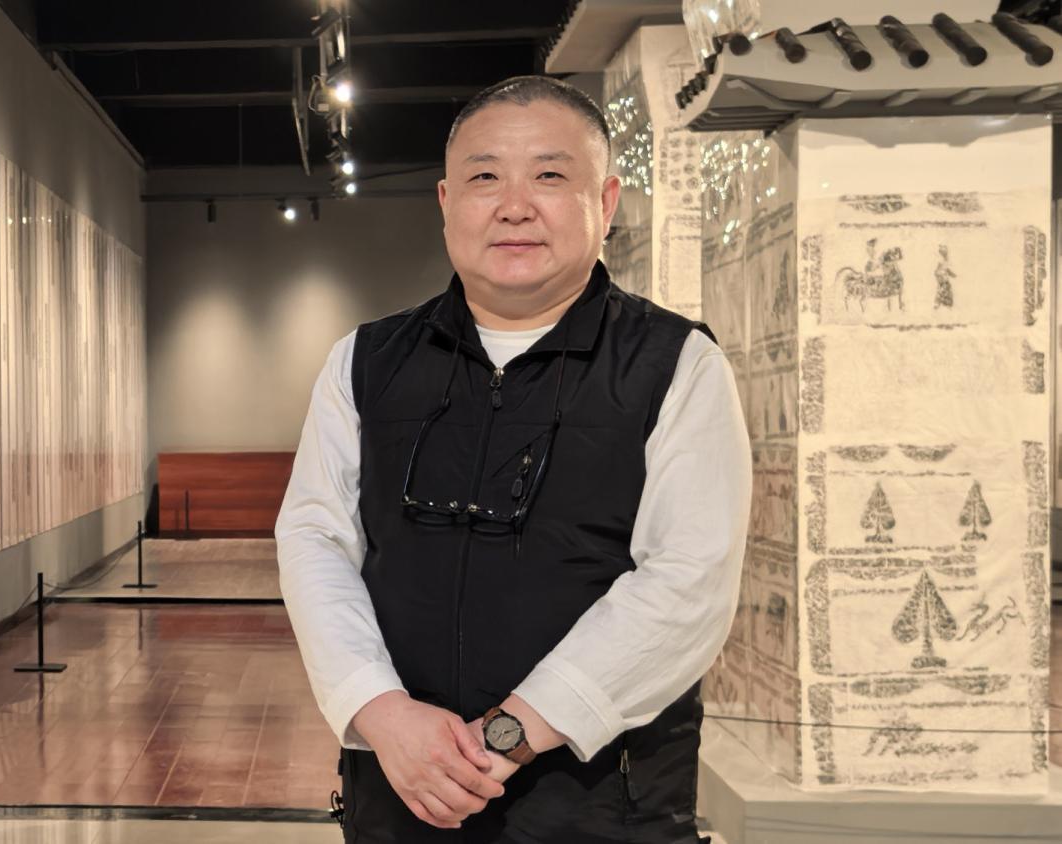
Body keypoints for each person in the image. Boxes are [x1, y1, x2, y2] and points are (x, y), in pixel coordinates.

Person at [276, 75, 751, 844]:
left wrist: (509, 735)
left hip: (602, 802)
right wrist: (381, 713)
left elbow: (688, 578)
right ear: (445, 202)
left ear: (605, 202)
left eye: (550, 176)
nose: (514, 205)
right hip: (401, 787)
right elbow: (314, 540)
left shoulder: (675, 364)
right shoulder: (364, 362)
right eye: (484, 177)